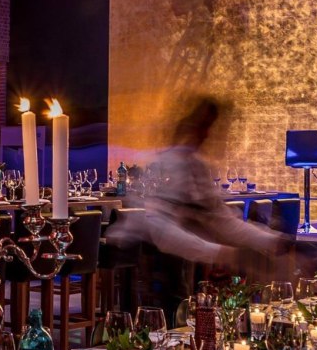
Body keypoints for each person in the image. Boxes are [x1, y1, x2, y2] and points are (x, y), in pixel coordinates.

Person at [108, 96, 293, 307]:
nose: (206, 135)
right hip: (143, 258)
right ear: (187, 124)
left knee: (183, 305)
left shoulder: (196, 167)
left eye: (210, 128)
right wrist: (225, 253)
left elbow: (221, 219)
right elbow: (160, 231)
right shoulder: (164, 166)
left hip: (176, 259)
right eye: (203, 126)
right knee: (163, 314)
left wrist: (273, 241)